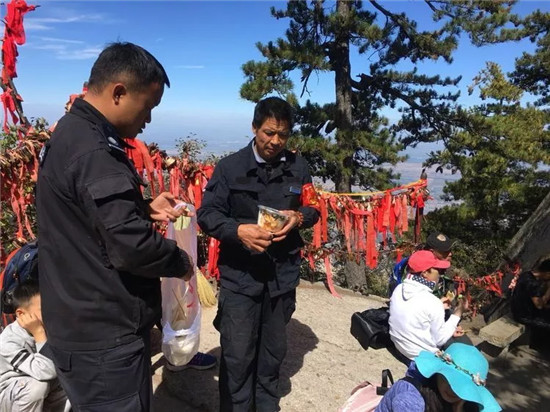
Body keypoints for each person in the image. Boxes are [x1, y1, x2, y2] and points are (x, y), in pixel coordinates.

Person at [36, 42, 194, 411]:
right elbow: (131, 246)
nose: (148, 119)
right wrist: (180, 261)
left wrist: (142, 208)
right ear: (119, 92)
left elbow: (85, 215)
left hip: (77, 317)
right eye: (148, 106)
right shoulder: (95, 151)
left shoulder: (71, 132)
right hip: (103, 335)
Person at [197, 97, 320, 412]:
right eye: (269, 132)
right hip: (241, 277)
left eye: (283, 134)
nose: (275, 141)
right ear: (254, 128)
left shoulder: (299, 167)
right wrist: (238, 231)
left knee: (272, 356)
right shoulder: (230, 167)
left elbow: (313, 207)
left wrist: (298, 217)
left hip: (281, 279)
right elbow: (207, 214)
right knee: (237, 357)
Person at [0, 280, 69, 412]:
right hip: (8, 394)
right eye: (44, 309)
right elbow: (46, 372)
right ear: (21, 314)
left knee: (69, 379)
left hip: (35, 387)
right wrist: (39, 333)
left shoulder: (50, 328)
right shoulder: (8, 341)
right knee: (37, 387)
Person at [389, 250, 468, 362]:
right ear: (425, 273)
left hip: (400, 347)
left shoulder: (399, 289)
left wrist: (438, 306)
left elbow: (414, 311)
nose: (440, 274)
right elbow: (439, 340)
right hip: (420, 357)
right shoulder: (432, 302)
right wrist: (458, 313)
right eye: (438, 270)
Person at [376, 343, 501, 412]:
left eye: (464, 388)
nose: (453, 390)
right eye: (449, 379)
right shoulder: (411, 400)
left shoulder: (459, 403)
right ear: (438, 372)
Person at [390, 232, 453, 297]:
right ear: (432, 251)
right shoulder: (414, 266)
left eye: (450, 250)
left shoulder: (437, 265)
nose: (450, 254)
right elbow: (407, 295)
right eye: (445, 252)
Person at [511, 258, 550, 324]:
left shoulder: (527, 274)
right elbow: (539, 305)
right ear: (548, 273)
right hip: (524, 316)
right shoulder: (533, 284)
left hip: (517, 310)